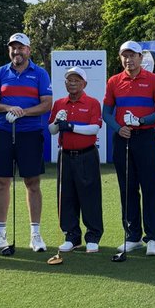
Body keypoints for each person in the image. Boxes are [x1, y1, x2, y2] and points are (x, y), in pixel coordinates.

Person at [0, 33, 52, 253]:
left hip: (30, 133)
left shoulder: (39, 73)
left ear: (28, 50)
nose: (17, 52)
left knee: (32, 183)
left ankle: (35, 234)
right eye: (13, 48)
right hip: (4, 131)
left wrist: (23, 112)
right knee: (1, 183)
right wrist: (7, 108)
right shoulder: (1, 73)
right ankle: (0, 234)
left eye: (21, 48)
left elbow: (47, 104)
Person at [102, 40, 155, 256]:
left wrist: (141, 120)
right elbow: (106, 113)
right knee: (127, 188)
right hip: (123, 139)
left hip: (146, 137)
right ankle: (132, 236)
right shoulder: (114, 81)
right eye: (125, 56)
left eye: (133, 56)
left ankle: (153, 237)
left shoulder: (154, 80)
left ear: (141, 58)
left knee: (149, 187)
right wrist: (119, 128)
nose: (128, 60)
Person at [48, 66, 103, 253]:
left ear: (84, 83)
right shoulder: (59, 103)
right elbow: (51, 130)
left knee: (90, 196)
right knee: (66, 197)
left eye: (76, 80)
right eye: (69, 80)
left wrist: (70, 126)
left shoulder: (93, 103)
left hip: (86, 155)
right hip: (65, 156)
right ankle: (72, 236)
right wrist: (57, 122)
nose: (72, 83)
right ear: (65, 83)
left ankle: (93, 236)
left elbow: (94, 128)